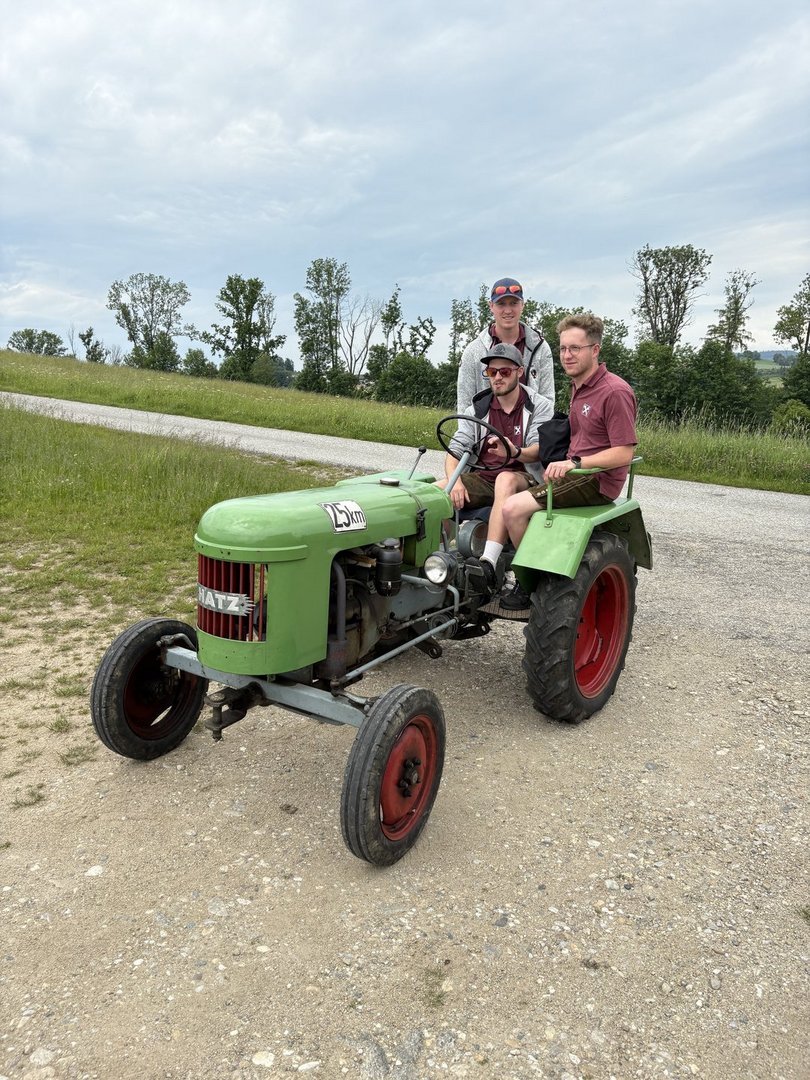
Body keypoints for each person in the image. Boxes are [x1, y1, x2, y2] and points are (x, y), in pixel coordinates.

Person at [499, 312, 638, 610]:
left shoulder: (614, 391)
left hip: (595, 479)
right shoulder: (580, 386)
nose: (567, 355)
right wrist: (520, 453)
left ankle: (530, 584)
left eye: (575, 348)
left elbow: (623, 452)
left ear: (595, 350)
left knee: (513, 509)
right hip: (574, 473)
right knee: (503, 485)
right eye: (563, 348)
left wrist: (575, 465)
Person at [438, 343, 549, 596]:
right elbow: (455, 450)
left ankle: (487, 563)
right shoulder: (478, 409)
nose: (497, 377)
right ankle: (436, 563)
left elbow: (538, 450)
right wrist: (454, 481)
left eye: (504, 372)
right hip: (484, 477)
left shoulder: (538, 405)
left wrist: (514, 451)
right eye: (491, 372)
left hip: (525, 479)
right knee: (436, 492)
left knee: (505, 479)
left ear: (519, 372)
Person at [456, 277, 555, 415]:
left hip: (532, 428)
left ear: (522, 305)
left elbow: (547, 400)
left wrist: (539, 428)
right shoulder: (473, 351)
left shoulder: (540, 348)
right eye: (501, 304)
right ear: (491, 306)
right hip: (485, 427)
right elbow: (464, 404)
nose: (508, 310)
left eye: (513, 303)